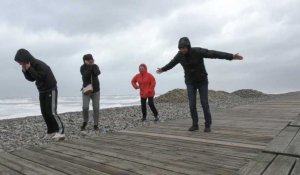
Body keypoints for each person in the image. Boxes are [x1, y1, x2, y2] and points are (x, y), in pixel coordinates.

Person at [157, 37, 243, 132]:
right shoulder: (179, 55)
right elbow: (171, 63)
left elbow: (213, 53)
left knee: (204, 103)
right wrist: (163, 69)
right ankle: (195, 124)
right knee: (192, 104)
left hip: (202, 81)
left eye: (184, 48)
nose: (182, 50)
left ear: (188, 46)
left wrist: (231, 56)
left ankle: (207, 125)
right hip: (190, 82)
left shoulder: (197, 51)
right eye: (180, 48)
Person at [14, 48, 65, 140]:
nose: (19, 64)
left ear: (24, 58)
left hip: (51, 89)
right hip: (42, 90)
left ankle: (61, 132)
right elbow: (32, 79)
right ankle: (51, 131)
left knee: (52, 112)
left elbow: (40, 77)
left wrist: (29, 68)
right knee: (44, 112)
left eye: (20, 61)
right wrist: (25, 71)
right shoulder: (29, 65)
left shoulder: (39, 64)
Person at [80, 54, 101, 131]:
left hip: (96, 90)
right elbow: (85, 75)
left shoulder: (95, 66)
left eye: (91, 59)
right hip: (86, 90)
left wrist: (92, 65)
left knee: (96, 108)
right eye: (88, 59)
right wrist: (89, 66)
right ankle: (85, 121)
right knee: (85, 107)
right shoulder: (82, 67)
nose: (90, 60)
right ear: (84, 61)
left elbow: (97, 73)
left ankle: (96, 124)